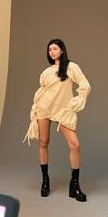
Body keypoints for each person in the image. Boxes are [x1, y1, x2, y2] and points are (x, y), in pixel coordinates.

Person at [24, 39, 91, 201]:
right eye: (49, 50)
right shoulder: (46, 72)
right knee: (43, 142)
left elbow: (85, 85)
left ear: (62, 50)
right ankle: (45, 181)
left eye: (55, 48)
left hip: (62, 111)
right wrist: (36, 108)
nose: (52, 51)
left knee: (75, 145)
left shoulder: (71, 67)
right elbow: (42, 90)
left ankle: (74, 185)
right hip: (44, 109)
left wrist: (75, 103)